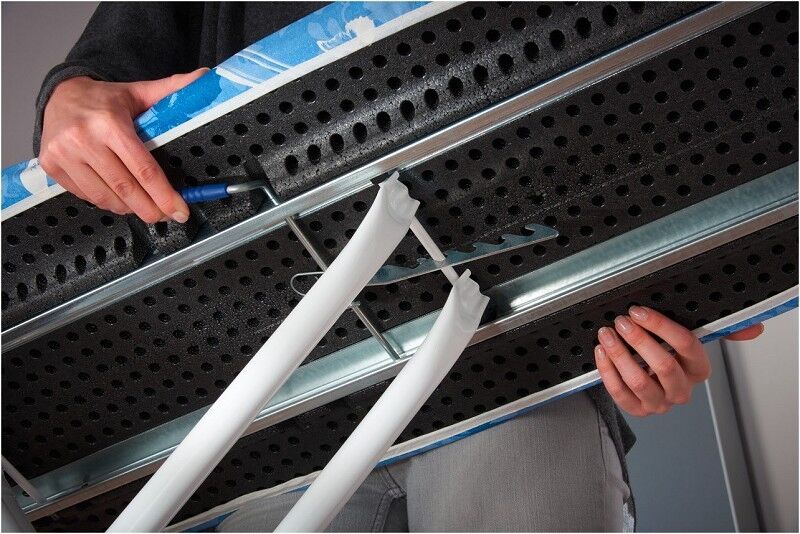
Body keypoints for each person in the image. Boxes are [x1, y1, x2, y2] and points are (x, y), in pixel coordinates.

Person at [34, 4, 764, 531]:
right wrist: (70, 99)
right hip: (282, 429)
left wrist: (695, 300)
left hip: (519, 383)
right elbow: (93, 85)